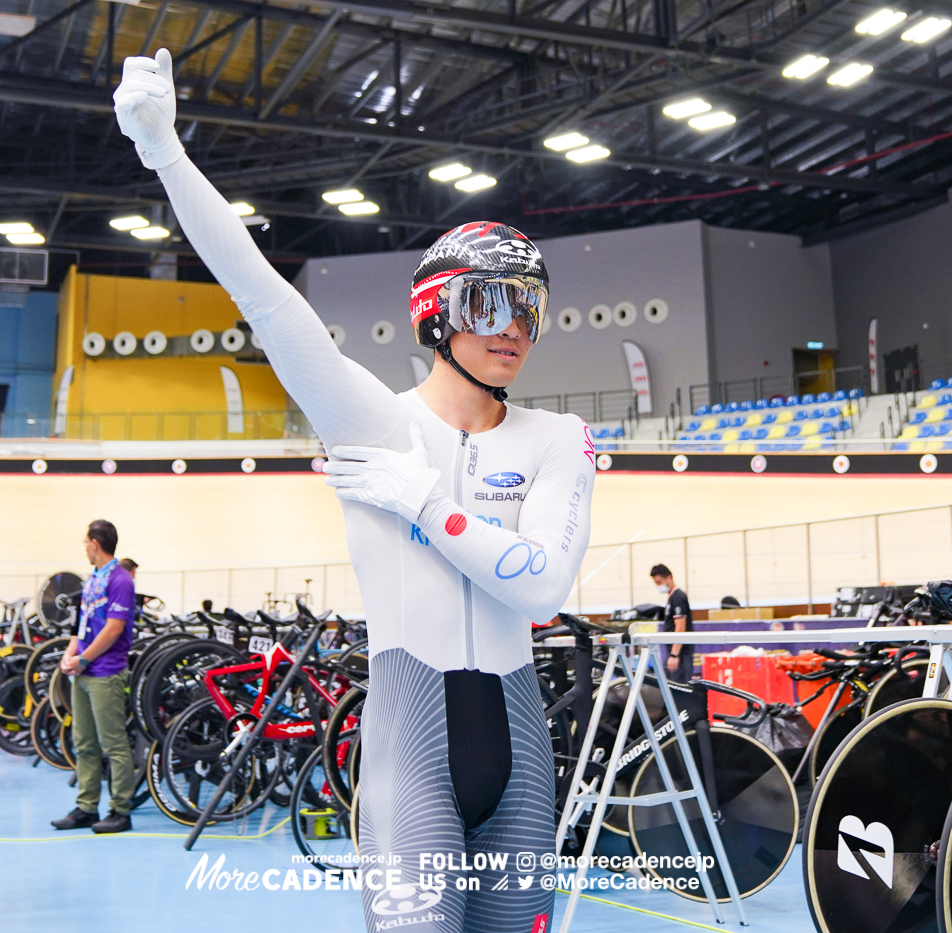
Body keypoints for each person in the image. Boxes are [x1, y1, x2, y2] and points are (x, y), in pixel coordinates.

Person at [114, 47, 594, 933]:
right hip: (413, 748)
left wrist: (424, 503)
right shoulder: (374, 423)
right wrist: (166, 155)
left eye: (528, 307)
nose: (514, 330)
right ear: (439, 316)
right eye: (491, 305)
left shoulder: (557, 438)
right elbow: (265, 299)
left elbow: (539, 584)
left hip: (521, 750)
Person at [52, 520, 137, 833]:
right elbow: (82, 623)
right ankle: (87, 806)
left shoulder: (120, 580)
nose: (85, 547)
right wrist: (70, 653)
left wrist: (84, 659)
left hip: (106, 673)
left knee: (113, 745)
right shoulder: (92, 580)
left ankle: (120, 810)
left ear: (95, 543)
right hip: (83, 671)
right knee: (84, 743)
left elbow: (114, 628)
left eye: (85, 542)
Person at [650, 565, 695, 681]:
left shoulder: (678, 597)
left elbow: (680, 627)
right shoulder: (672, 598)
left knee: (679, 690)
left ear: (669, 578)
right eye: (656, 583)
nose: (658, 586)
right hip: (673, 652)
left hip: (680, 654)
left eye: (659, 582)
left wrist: (674, 655)